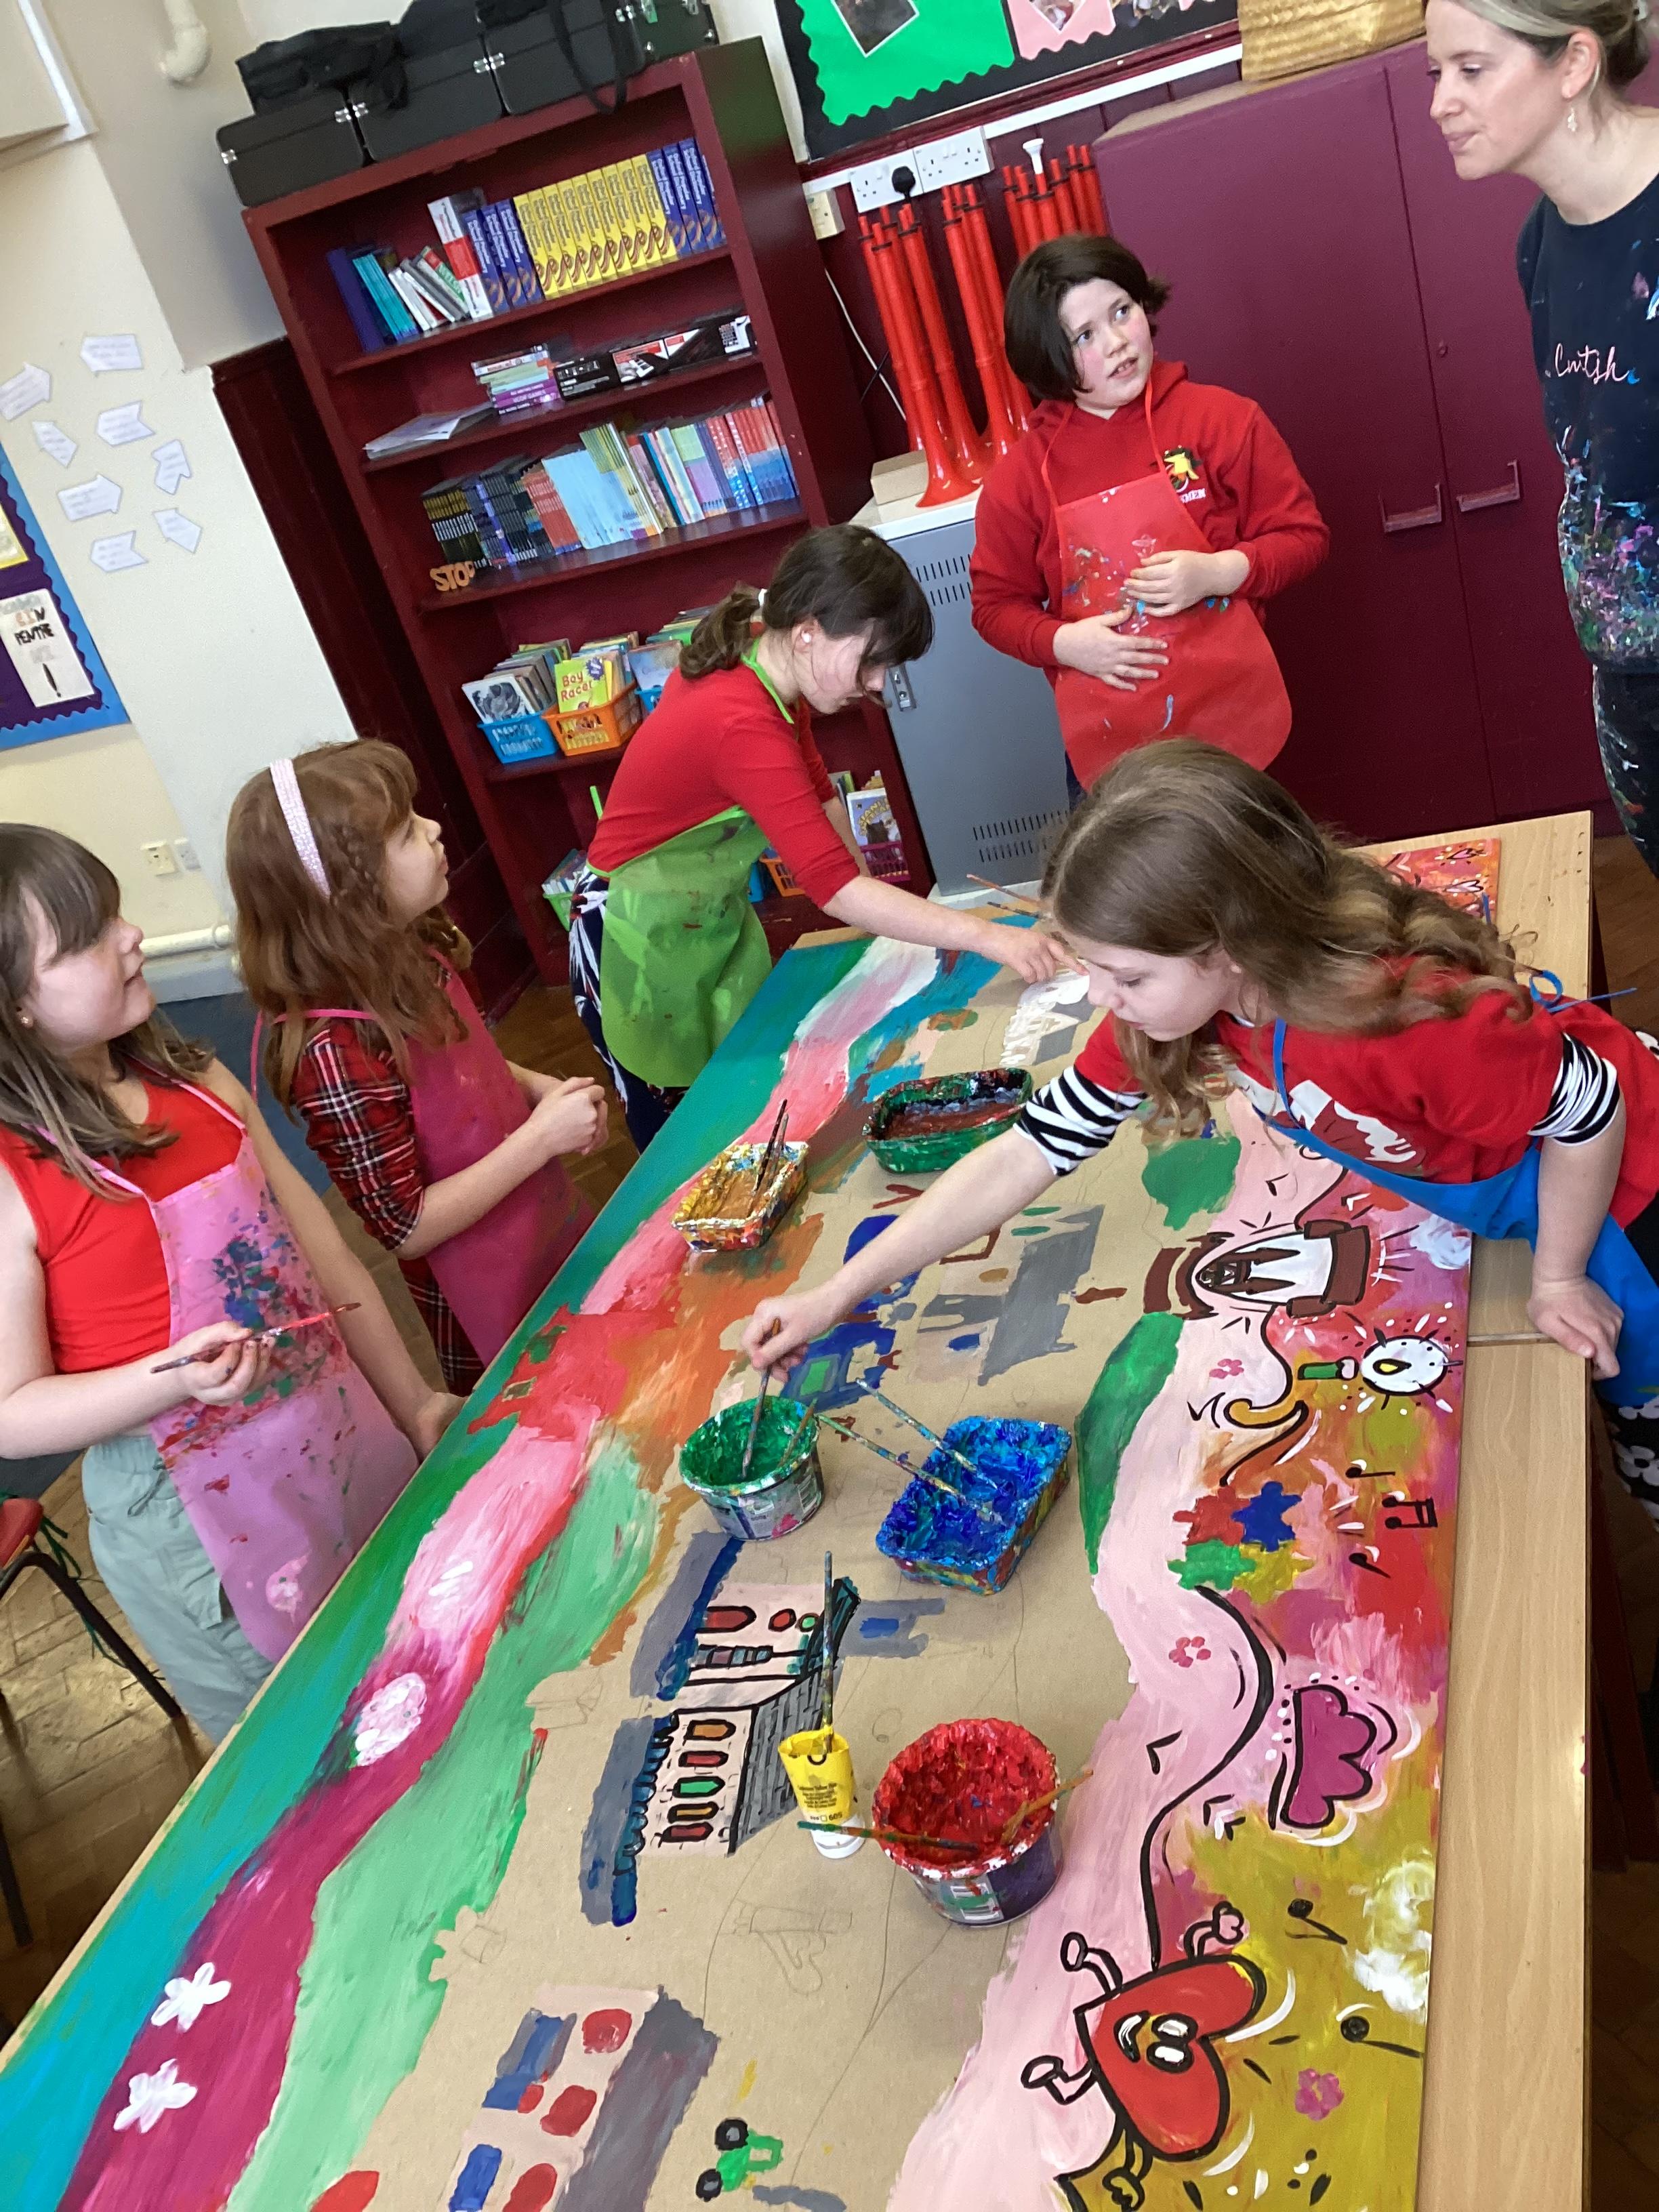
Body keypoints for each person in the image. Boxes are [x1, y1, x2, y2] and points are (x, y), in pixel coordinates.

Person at [743, 739, 1659, 1523]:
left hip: (1629, 1190)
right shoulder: (1190, 1005)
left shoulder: (1393, 1019)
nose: (1102, 999)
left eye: (1127, 976)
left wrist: (1558, 1275)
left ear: (1227, 945)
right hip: (1528, 1185)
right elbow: (1029, 1148)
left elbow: (1594, 1107)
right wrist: (837, 1294)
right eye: (1094, 968)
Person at [0, 827, 461, 1739]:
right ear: (14, 1005)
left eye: (118, 913)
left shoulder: (199, 1078)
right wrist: (170, 1377)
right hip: (200, 1528)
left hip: (340, 1436)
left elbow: (326, 1262)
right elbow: (13, 1412)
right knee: (319, 1743)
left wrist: (414, 1404)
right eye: (89, 938)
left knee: (425, 1653)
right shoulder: (13, 1177)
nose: (133, 936)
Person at [567, 525, 1067, 1151]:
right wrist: (987, 936)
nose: (880, 683)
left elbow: (823, 801)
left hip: (696, 916)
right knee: (686, 1135)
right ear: (807, 632)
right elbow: (835, 889)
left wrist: (880, 923)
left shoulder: (774, 666)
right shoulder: (739, 721)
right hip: (630, 934)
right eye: (872, 660)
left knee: (738, 1096)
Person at [228, 740, 603, 1399]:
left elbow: (459, 1064)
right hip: (488, 1304)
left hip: (546, 1227)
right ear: (350, 895)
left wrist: (531, 1086)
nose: (433, 830)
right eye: (406, 832)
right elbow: (406, 1227)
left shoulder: (413, 949)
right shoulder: (332, 1055)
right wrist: (541, 1138)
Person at [970, 234, 1329, 796]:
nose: (1116, 343)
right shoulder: (1020, 479)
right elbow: (994, 607)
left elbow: (1303, 537)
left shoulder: (1224, 420)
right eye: (1084, 336)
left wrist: (1218, 572)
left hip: (1234, 723)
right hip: (1109, 747)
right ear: (1048, 357)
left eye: (1122, 312)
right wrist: (1065, 644)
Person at [1427, 0, 1659, 867]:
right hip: (1631, 676)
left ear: (1575, 64)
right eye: (1436, 73)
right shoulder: (1541, 244)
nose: (1441, 102)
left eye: (1471, 69)